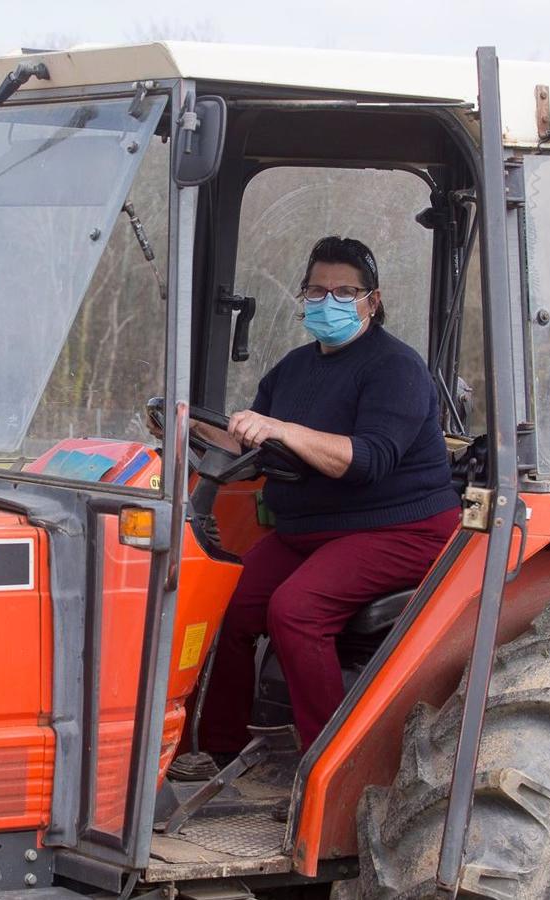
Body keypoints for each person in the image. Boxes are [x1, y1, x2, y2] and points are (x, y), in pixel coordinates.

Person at [197, 235, 461, 755]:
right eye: (317, 291)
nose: (328, 301)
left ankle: (327, 765)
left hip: (397, 530)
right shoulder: (293, 369)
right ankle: (211, 752)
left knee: (296, 610)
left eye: (344, 291)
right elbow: (246, 439)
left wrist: (282, 429)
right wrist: (184, 426)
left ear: (372, 301)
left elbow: (368, 460)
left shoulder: (396, 369)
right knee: (223, 600)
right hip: (307, 530)